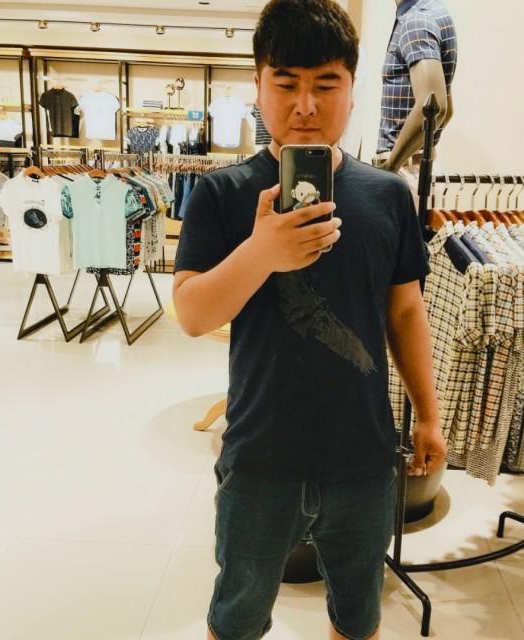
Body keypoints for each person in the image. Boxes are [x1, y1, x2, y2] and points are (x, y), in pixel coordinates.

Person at [173, 1, 446, 638]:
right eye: (286, 83)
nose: (305, 105)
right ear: (258, 86)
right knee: (236, 617)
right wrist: (262, 252)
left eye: (326, 84)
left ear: (352, 89)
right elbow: (192, 313)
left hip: (364, 457)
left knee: (358, 616)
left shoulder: (388, 195)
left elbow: (405, 311)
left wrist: (428, 415)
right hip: (260, 457)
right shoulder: (222, 193)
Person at [374, 0, 457, 175]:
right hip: (413, 167)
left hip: (405, 170)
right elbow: (445, 109)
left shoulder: (416, 21)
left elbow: (434, 107)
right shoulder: (430, 11)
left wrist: (392, 165)